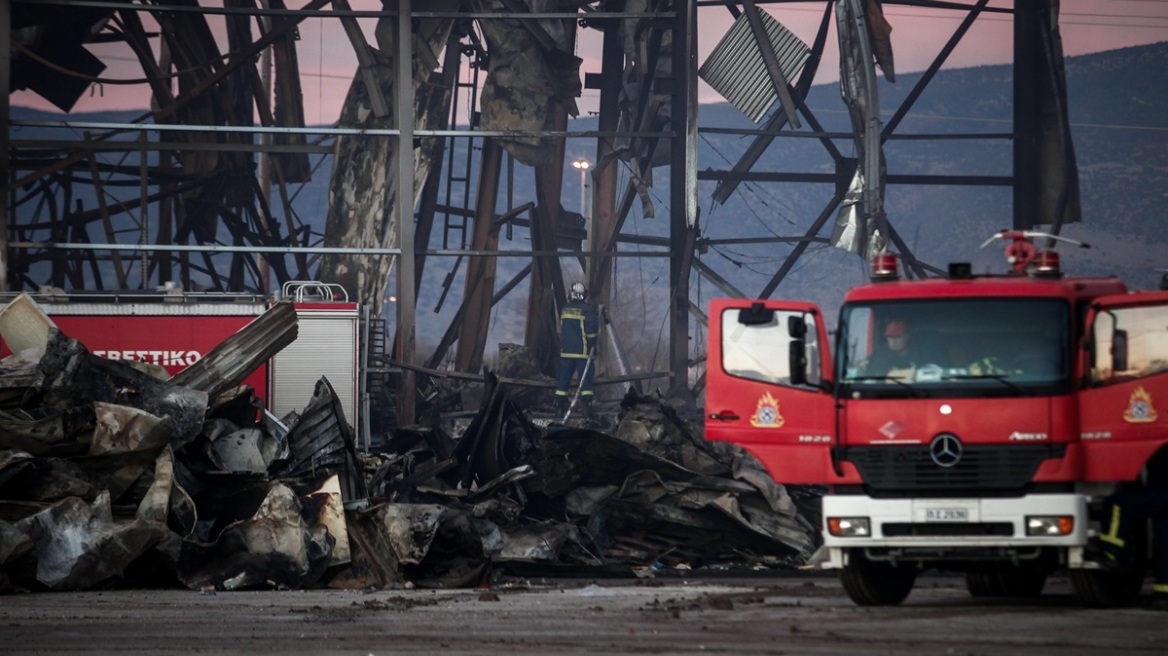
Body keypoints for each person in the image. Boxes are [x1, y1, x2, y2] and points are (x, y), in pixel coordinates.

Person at [1094, 448, 1168, 610]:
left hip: (1162, 492)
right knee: (1164, 539)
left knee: (1117, 505)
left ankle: (1111, 553)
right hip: (1162, 492)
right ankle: (1163, 595)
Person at [555, 281, 599, 415]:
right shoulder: (588, 310)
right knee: (585, 381)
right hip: (583, 353)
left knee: (563, 380)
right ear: (583, 295)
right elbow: (591, 333)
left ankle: (559, 406)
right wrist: (592, 345)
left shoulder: (565, 309)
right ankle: (587, 407)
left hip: (566, 352)